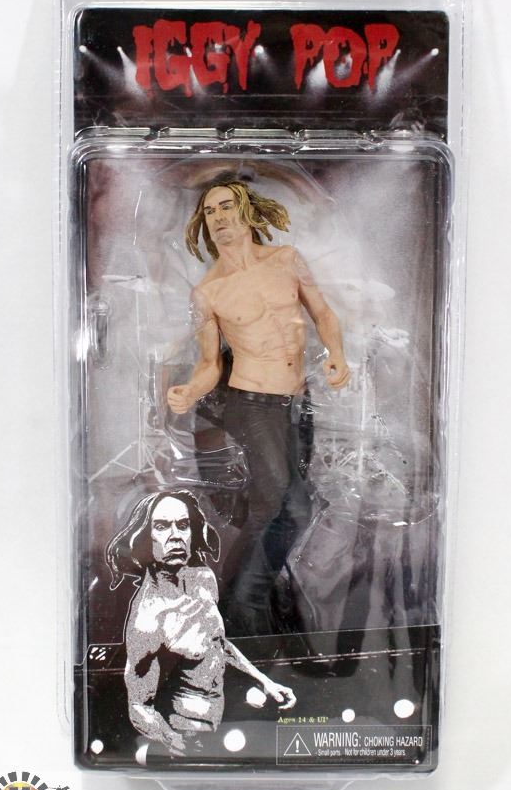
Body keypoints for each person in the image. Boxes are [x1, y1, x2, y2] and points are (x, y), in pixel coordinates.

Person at [166, 179, 350, 635]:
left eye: (227, 206)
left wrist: (337, 353)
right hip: (251, 402)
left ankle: (254, 598)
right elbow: (210, 364)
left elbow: (323, 313)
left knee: (292, 507)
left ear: (247, 211)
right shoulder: (209, 292)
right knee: (282, 502)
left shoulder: (286, 259)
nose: (219, 217)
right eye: (210, 212)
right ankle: (241, 609)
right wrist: (189, 391)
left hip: (296, 400)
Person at [107, 489, 296, 758]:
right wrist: (174, 743)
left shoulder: (202, 580)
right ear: (145, 538)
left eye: (183, 525)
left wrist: (265, 681)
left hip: (225, 724)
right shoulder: (147, 621)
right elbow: (138, 706)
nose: (175, 535)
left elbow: (216, 641)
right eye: (162, 526)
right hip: (187, 735)